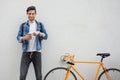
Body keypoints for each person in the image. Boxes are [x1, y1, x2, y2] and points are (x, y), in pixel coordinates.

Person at [17, 6, 48, 80]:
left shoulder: (40, 25)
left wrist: (39, 33)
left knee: (39, 76)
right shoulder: (23, 25)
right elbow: (18, 38)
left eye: (32, 14)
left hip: (37, 52)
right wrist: (24, 38)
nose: (31, 15)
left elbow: (46, 36)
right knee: (22, 76)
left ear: (35, 14)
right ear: (27, 14)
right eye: (29, 14)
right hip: (26, 53)